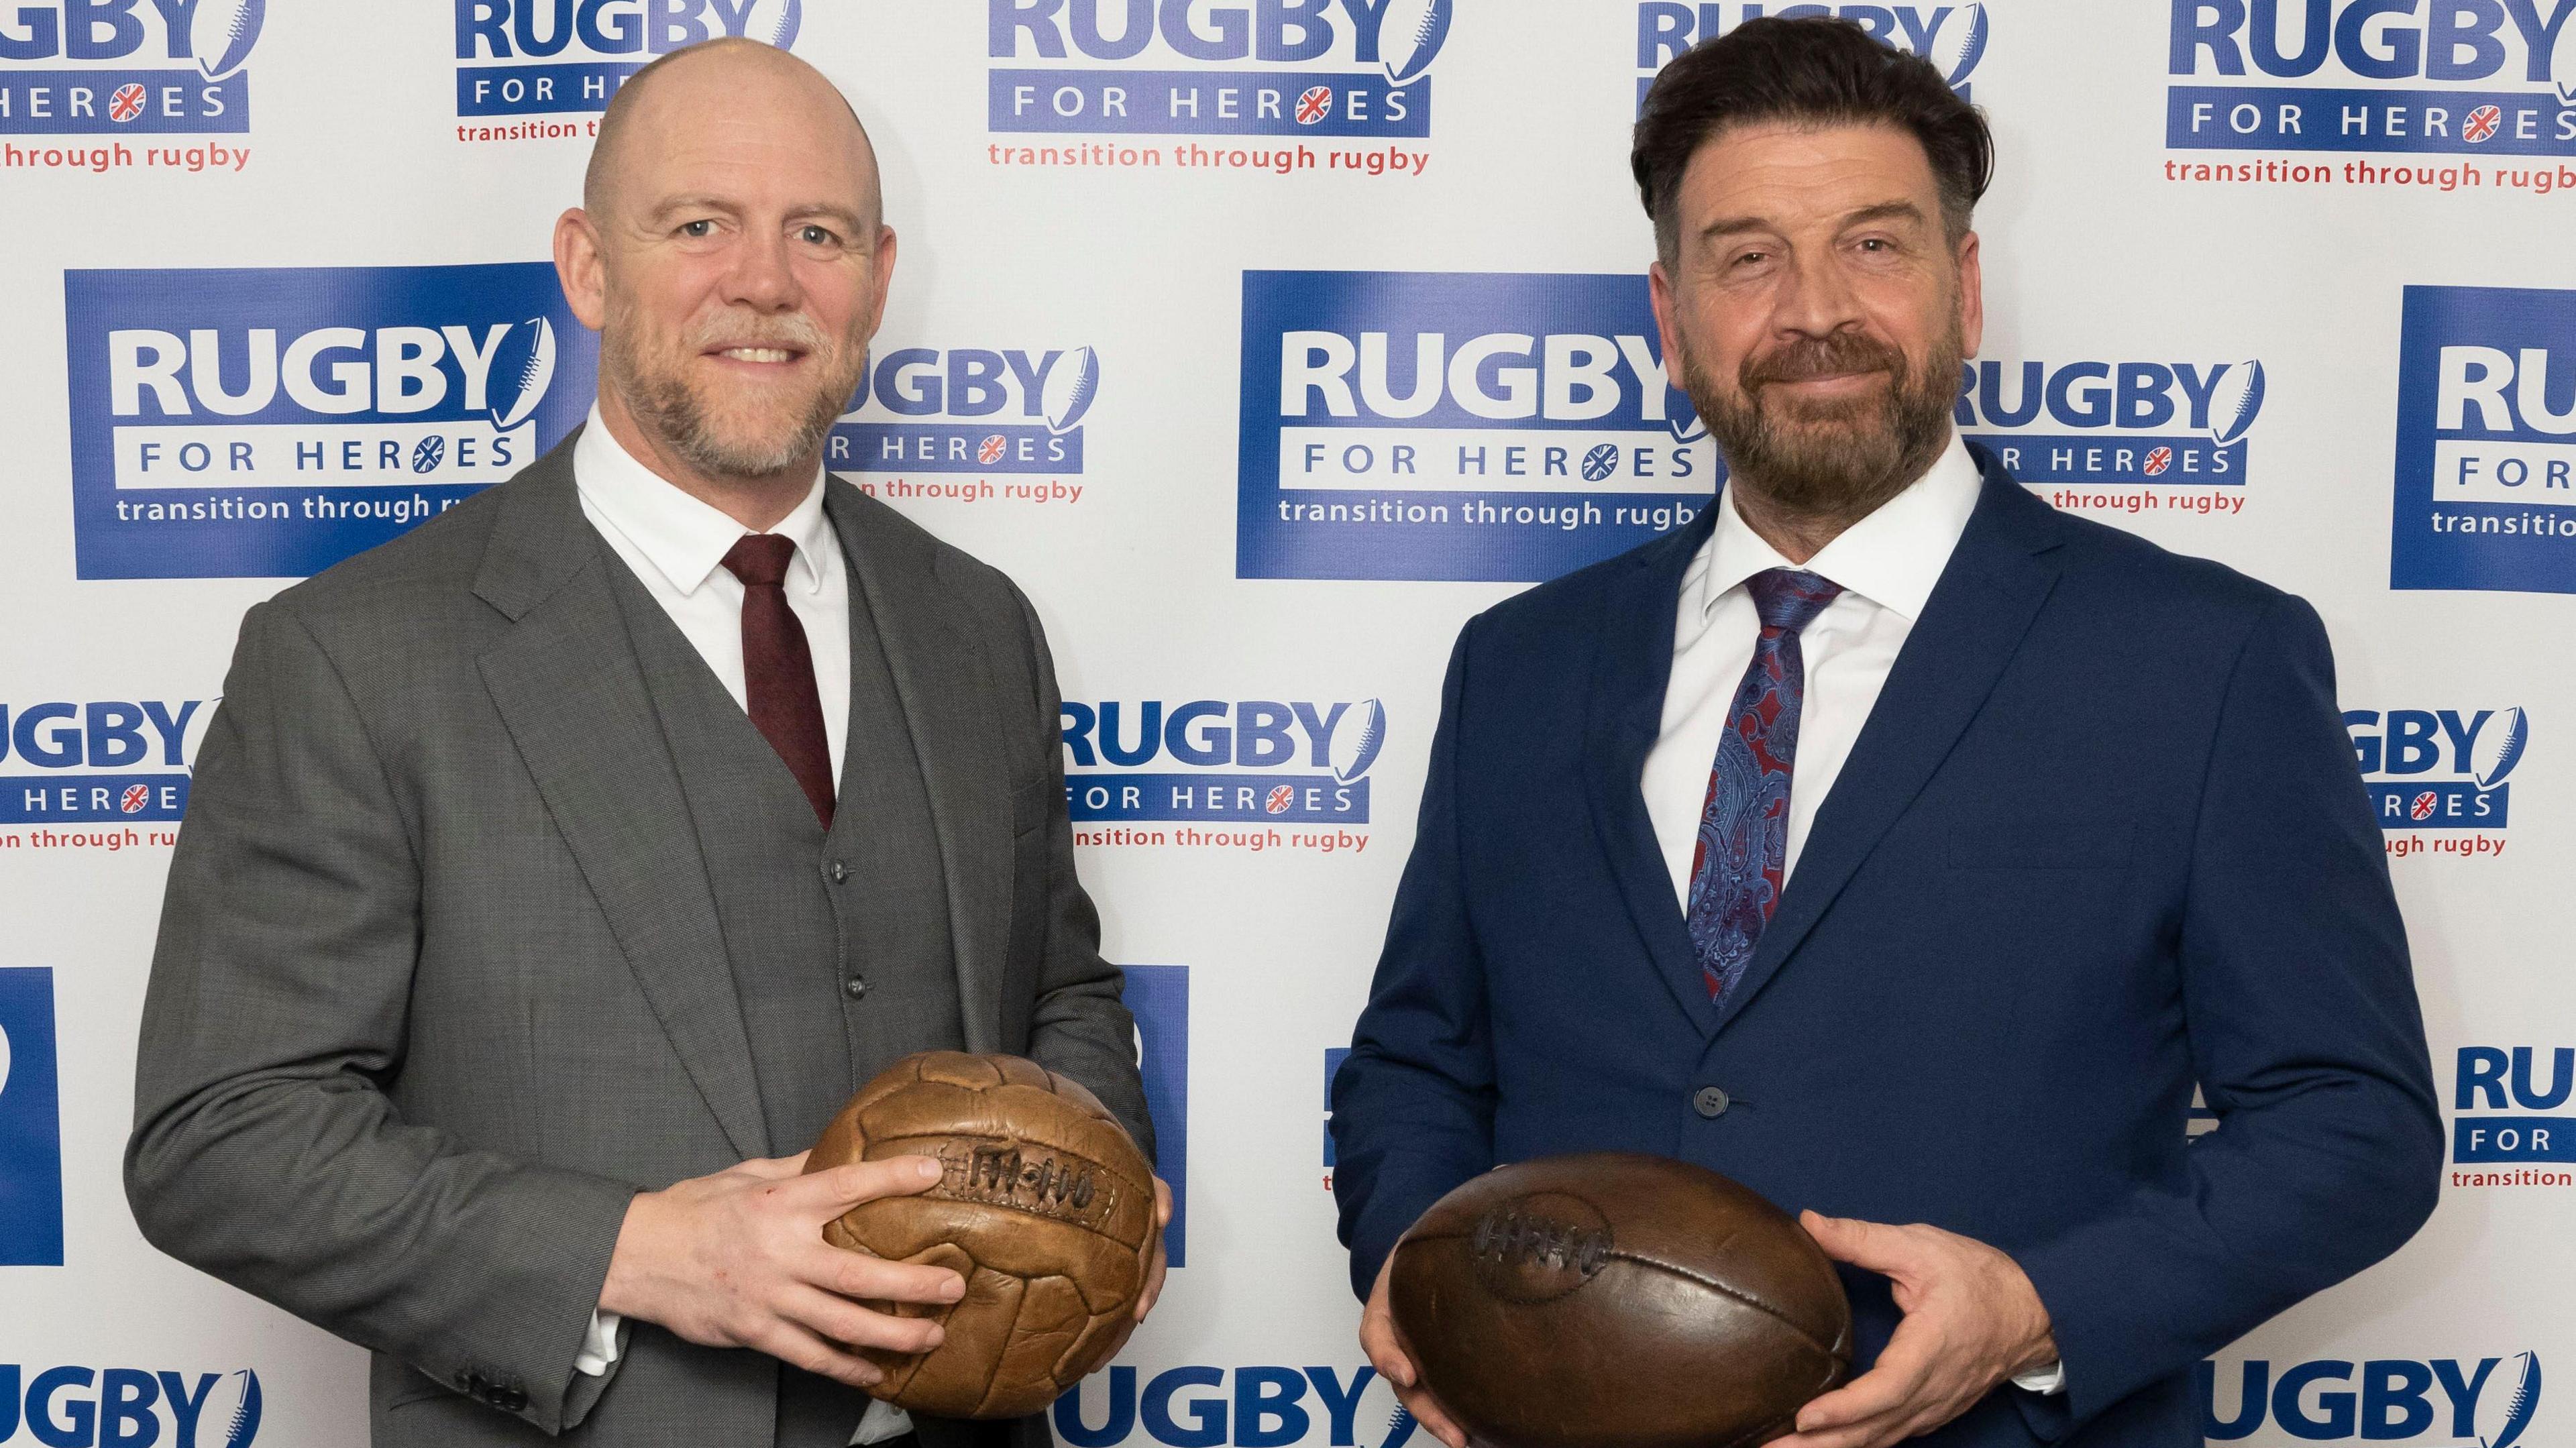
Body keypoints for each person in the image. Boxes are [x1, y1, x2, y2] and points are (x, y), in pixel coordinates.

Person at [1329, 18, 2441, 1448]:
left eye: (1873, 245)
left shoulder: (2205, 658)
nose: (1814, 311)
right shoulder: (1521, 665)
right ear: (1669, 321)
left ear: (1964, 287)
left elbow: (2353, 1124)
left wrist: (2039, 1308)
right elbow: (1420, 1063)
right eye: (1748, 257)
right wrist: (1427, 1275)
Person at [125, 38, 1165, 1448]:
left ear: (876, 274)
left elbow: (1061, 994)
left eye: (821, 234)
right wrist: (632, 1254)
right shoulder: (356, 654)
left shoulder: (978, 626)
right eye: (700, 227)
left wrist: (1088, 1175)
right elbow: (224, 1140)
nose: (765, 282)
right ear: (588, 268)